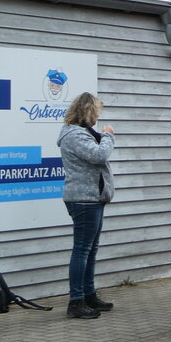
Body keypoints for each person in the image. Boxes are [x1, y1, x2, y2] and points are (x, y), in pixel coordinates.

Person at [57, 92, 116, 319]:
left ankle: (89, 295)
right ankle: (76, 301)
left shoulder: (82, 133)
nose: (98, 117)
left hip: (93, 198)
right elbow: (99, 155)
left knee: (90, 249)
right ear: (89, 112)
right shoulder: (75, 135)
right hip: (83, 200)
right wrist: (108, 136)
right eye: (97, 112)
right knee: (82, 250)